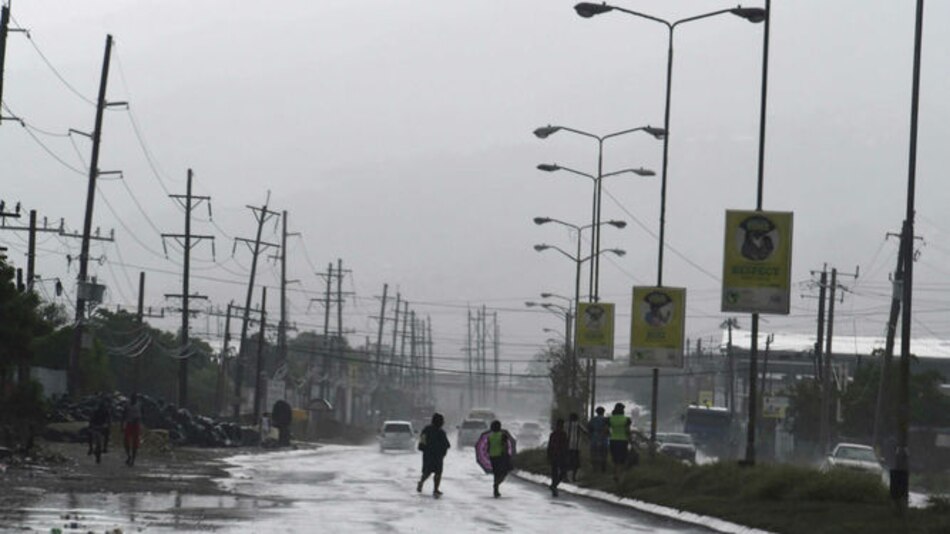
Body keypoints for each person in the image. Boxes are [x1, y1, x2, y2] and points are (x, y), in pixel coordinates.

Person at [417, 412, 451, 497]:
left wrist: (422, 447)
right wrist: (443, 452)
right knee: (437, 473)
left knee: (428, 471)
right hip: (436, 455)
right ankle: (435, 489)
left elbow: (422, 439)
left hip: (429, 454)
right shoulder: (441, 432)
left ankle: (423, 483)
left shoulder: (427, 429)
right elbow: (446, 445)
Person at [486, 420, 514, 498]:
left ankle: (496, 489)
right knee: (504, 472)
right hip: (501, 456)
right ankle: (496, 484)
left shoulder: (490, 436)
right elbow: (505, 446)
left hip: (492, 457)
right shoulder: (503, 435)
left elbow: (488, 447)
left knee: (496, 473)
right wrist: (507, 455)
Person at [608, 403, 632, 482]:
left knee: (615, 459)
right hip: (623, 440)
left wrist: (610, 434)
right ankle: (619, 475)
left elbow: (606, 430)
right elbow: (627, 431)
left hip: (613, 440)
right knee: (622, 459)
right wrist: (630, 440)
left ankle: (615, 474)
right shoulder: (626, 419)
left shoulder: (610, 419)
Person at [546, 418, 569, 497]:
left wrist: (549, 455)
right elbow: (565, 446)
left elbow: (550, 446)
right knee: (559, 472)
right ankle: (554, 485)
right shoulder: (561, 434)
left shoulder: (556, 434)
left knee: (557, 472)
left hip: (557, 455)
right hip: (558, 455)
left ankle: (554, 485)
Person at [122, 394, 143, 467]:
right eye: (132, 398)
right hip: (129, 423)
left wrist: (139, 421)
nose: (133, 400)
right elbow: (123, 415)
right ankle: (129, 455)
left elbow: (142, 415)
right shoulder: (127, 405)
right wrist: (122, 425)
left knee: (135, 443)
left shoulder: (139, 405)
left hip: (136, 425)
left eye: (135, 399)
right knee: (126, 441)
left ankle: (133, 459)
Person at [88, 400, 111, 464]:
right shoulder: (96, 412)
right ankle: (90, 448)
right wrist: (91, 426)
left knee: (107, 433)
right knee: (90, 435)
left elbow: (108, 420)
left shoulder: (106, 412)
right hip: (96, 426)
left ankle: (105, 447)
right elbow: (91, 420)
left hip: (102, 427)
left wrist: (107, 425)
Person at [587, 406, 609, 473]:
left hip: (594, 438)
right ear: (603, 412)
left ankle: (595, 469)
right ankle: (603, 468)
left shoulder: (593, 420)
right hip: (604, 439)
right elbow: (607, 430)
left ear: (596, 412)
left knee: (594, 454)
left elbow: (589, 428)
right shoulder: (606, 420)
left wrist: (590, 436)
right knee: (604, 454)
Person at [565, 412, 585, 482]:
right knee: (576, 461)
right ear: (576, 418)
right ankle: (574, 477)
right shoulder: (578, 424)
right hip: (576, 446)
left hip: (567, 445)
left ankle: (565, 476)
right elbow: (585, 431)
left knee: (567, 461)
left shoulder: (566, 424)